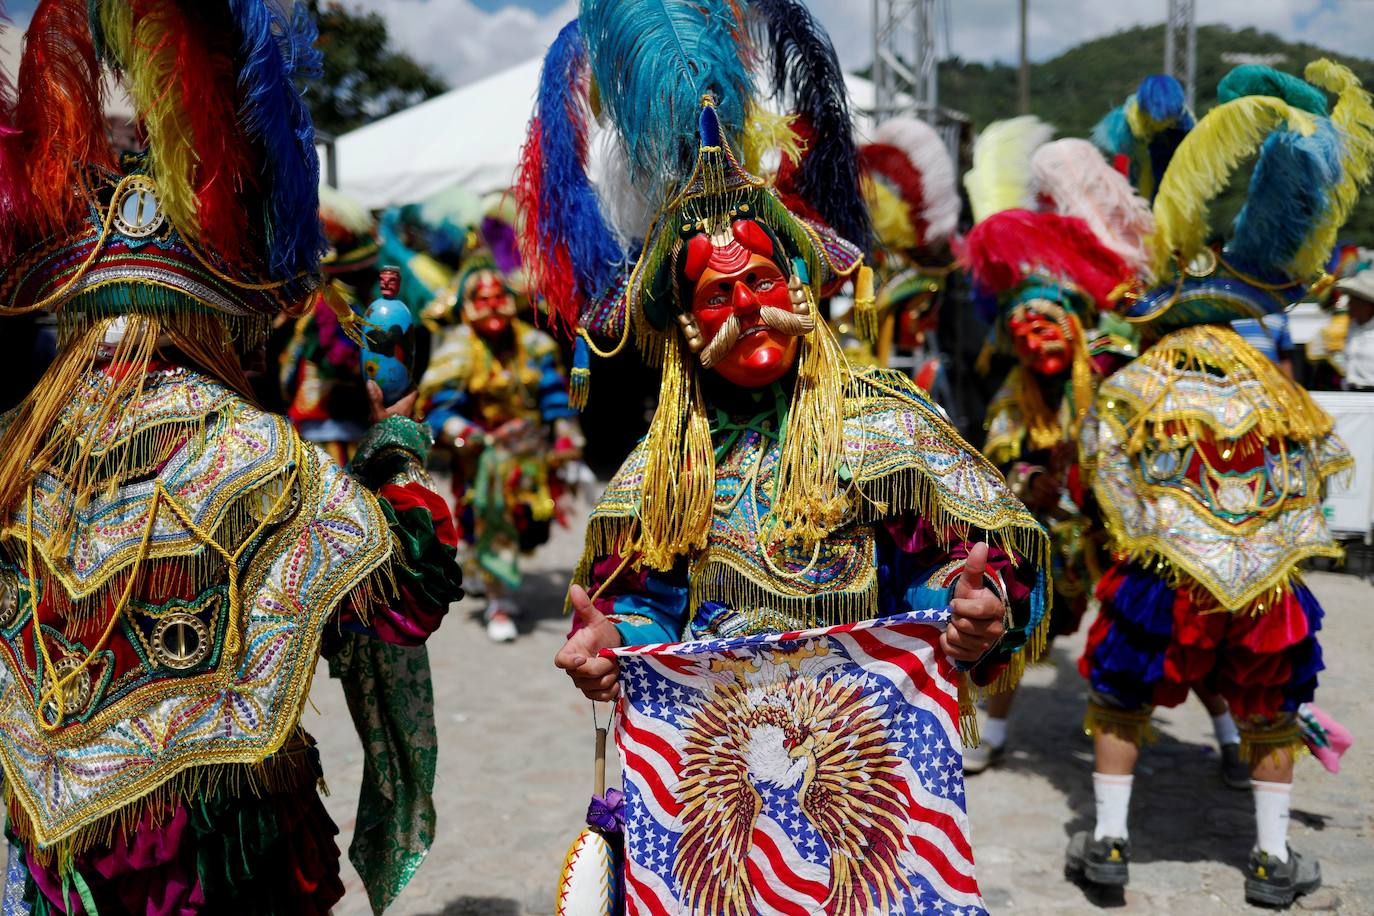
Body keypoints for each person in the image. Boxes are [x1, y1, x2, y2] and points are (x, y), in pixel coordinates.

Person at [519, 4, 1049, 908]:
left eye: (763, 280)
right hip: (712, 796)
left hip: (869, 783)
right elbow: (640, 608)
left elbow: (955, 566)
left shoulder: (884, 424)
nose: (747, 308)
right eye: (719, 294)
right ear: (687, 329)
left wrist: (968, 609)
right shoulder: (663, 466)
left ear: (799, 287)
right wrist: (615, 647)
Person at [0, 3, 464, 912]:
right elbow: (405, 591)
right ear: (215, 309)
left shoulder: (18, 449)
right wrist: (400, 434)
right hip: (217, 862)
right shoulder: (251, 452)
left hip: (57, 851)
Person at [1067, 62, 1372, 908]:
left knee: (1120, 697)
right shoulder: (1278, 385)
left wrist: (1149, 548)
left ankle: (1110, 842)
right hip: (1263, 581)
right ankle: (1272, 860)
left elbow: (1105, 466)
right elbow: (1313, 479)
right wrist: (1271, 551)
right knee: (1272, 706)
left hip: (1165, 573)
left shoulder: (1136, 378)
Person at [419, 250, 583, 642]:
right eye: (483, 299)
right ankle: (499, 602)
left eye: (498, 297)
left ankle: (487, 578)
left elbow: (553, 398)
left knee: (527, 526)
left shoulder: (534, 344)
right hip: (481, 458)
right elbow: (440, 406)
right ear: (469, 307)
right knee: (489, 523)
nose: (493, 306)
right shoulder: (458, 347)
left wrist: (566, 441)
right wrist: (468, 435)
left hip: (529, 458)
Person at [1334, 261, 1374, 392]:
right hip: (1351, 392)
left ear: (1366, 305)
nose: (1349, 305)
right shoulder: (1353, 327)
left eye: (1353, 301)